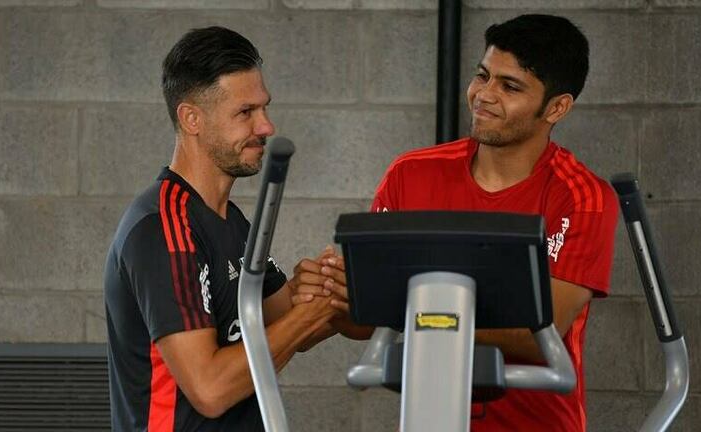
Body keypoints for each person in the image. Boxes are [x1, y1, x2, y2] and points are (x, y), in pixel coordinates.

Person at [302, 13, 619, 432]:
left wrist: (397, 300)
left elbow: (539, 333)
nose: (483, 95)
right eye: (483, 75)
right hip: (427, 417)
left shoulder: (583, 197)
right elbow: (365, 322)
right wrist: (336, 293)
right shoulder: (409, 173)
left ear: (556, 107)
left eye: (509, 87)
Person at [103, 27, 341, 431]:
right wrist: (306, 316)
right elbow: (210, 390)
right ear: (192, 118)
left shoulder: (230, 221)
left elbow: (278, 320)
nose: (266, 126)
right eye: (246, 112)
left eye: (264, 108)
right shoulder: (164, 228)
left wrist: (326, 289)